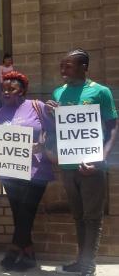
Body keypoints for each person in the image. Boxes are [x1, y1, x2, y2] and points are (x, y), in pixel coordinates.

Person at [47, 49, 118, 276]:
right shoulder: (58, 93)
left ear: (83, 66)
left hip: (92, 166)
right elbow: (59, 128)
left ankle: (89, 264)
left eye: (68, 66)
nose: (62, 71)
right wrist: (52, 116)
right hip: (68, 167)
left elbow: (113, 127)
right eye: (61, 65)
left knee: (92, 217)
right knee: (78, 216)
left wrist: (102, 158)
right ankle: (81, 260)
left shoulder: (100, 92)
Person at [0, 71, 54, 272]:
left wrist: (43, 147)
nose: (6, 92)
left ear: (23, 90)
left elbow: (56, 132)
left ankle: (13, 250)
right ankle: (28, 254)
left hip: (37, 172)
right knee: (19, 214)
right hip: (10, 172)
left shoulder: (38, 107)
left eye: (12, 89)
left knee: (27, 211)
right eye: (4, 89)